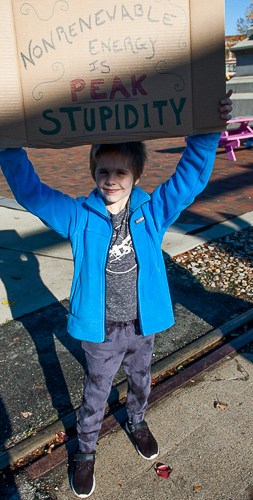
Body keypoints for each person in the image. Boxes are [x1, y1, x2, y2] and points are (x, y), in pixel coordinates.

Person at [0, 92, 232, 498]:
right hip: (101, 329)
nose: (111, 179)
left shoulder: (153, 211)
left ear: (136, 175)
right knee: (96, 390)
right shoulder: (78, 215)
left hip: (142, 324)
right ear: (93, 172)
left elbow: (188, 181)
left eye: (121, 172)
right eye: (103, 171)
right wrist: (8, 144)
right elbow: (32, 194)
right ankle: (86, 451)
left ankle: (137, 421)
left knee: (141, 380)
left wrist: (208, 130)